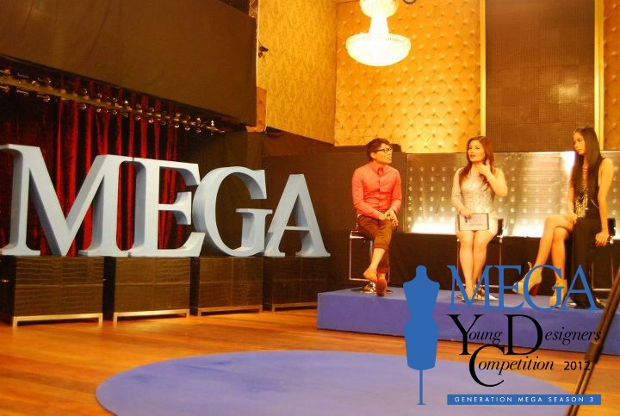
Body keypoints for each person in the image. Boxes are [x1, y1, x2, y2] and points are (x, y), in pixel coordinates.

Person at [514, 126, 613, 309]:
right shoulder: (576, 168)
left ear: (590, 140)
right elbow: (570, 199)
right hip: (577, 220)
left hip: (592, 221)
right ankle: (559, 286)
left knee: (551, 220)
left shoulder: (604, 164)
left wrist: (605, 229)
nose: (576, 145)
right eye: (574, 142)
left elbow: (601, 198)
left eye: (580, 140)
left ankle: (536, 272)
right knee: (558, 233)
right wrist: (570, 211)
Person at [451, 136, 508, 301]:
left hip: (487, 216)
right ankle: (469, 286)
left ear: (486, 151)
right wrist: (462, 209)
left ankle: (474, 284)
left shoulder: (496, 172)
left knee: (480, 241)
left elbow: (502, 192)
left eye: (477, 147)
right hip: (466, 216)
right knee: (467, 240)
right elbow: (455, 197)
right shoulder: (461, 172)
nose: (472, 151)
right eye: (470, 147)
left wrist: (487, 173)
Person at [351, 138, 402, 297]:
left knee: (385, 227)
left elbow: (397, 198)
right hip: (366, 217)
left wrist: (392, 210)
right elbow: (358, 202)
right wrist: (379, 214)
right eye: (385, 150)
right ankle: (381, 277)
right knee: (383, 236)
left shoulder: (394, 173)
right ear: (373, 154)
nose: (389, 153)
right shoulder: (360, 173)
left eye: (390, 150)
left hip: (387, 216)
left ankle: (372, 270)